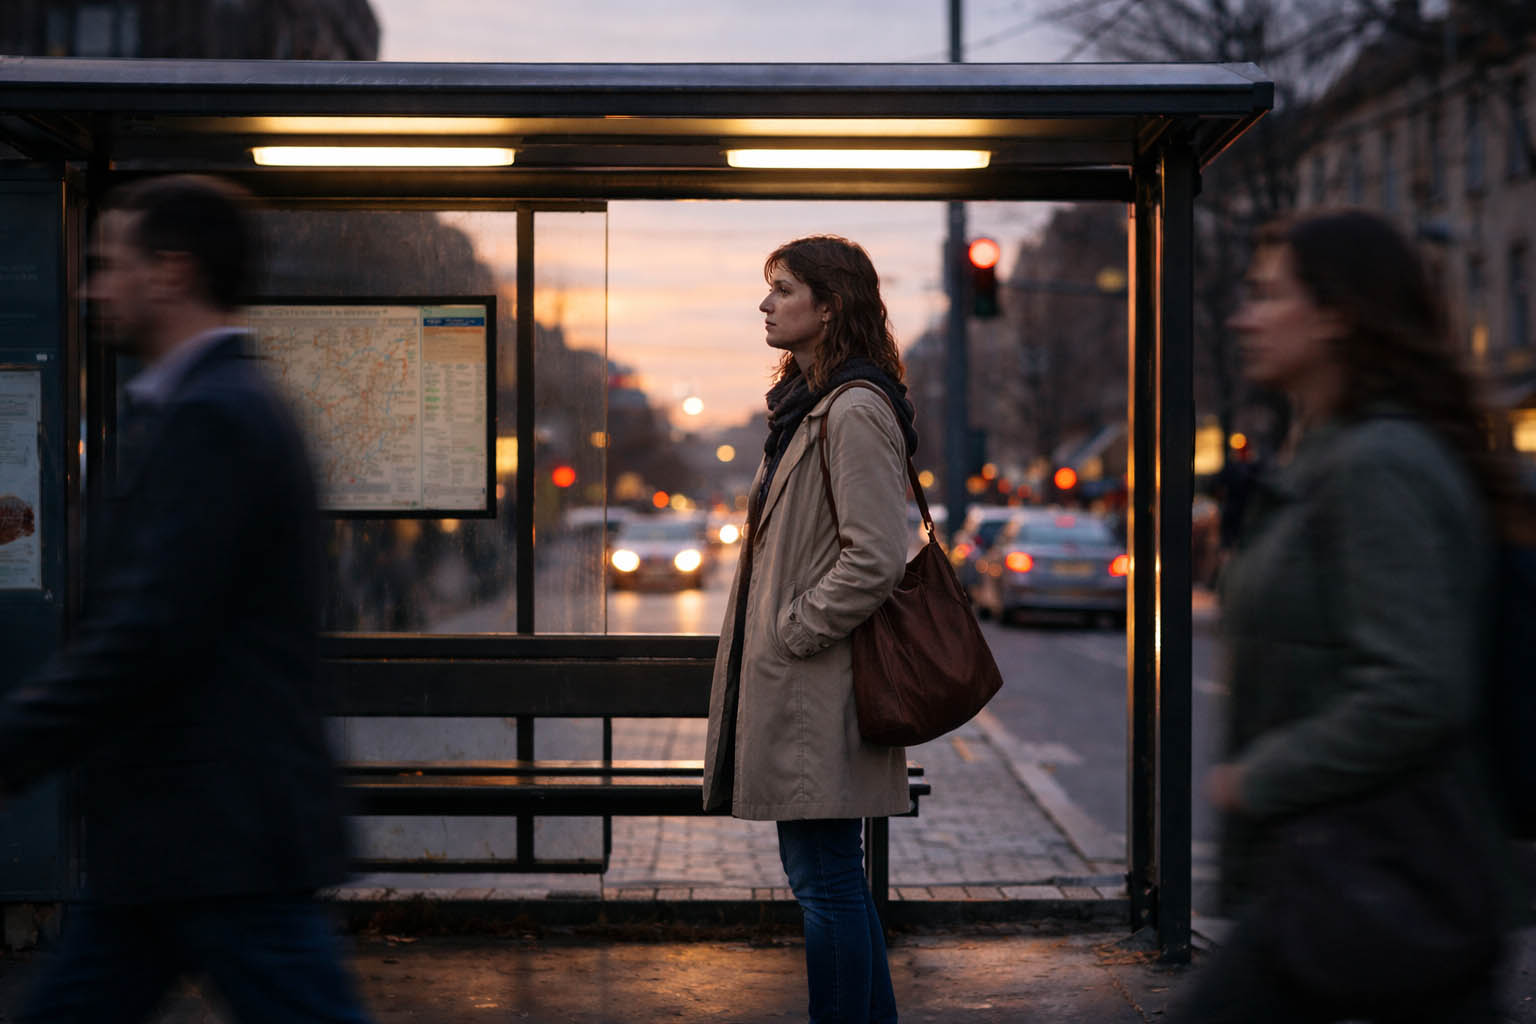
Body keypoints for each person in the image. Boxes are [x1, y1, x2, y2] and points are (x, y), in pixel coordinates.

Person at [0, 175, 371, 1023]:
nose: (91, 288)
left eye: (107, 265)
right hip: (180, 835)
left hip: (220, 833)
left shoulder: (217, 415)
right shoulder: (208, 405)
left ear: (169, 273)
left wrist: (12, 746)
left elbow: (148, 626)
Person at [1172, 209, 1527, 1023]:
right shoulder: (1334, 451)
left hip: (1380, 869)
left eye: (1268, 296)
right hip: (1347, 869)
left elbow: (1415, 686)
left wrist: (1260, 777)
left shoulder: (1379, 463)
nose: (1242, 316)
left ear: (1336, 315)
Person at [703, 235, 917, 1024]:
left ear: (830, 307)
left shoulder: (853, 410)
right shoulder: (810, 408)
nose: (766, 303)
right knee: (830, 877)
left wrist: (794, 630)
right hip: (808, 687)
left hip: (819, 685)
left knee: (824, 880)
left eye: (783, 289)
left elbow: (875, 558)